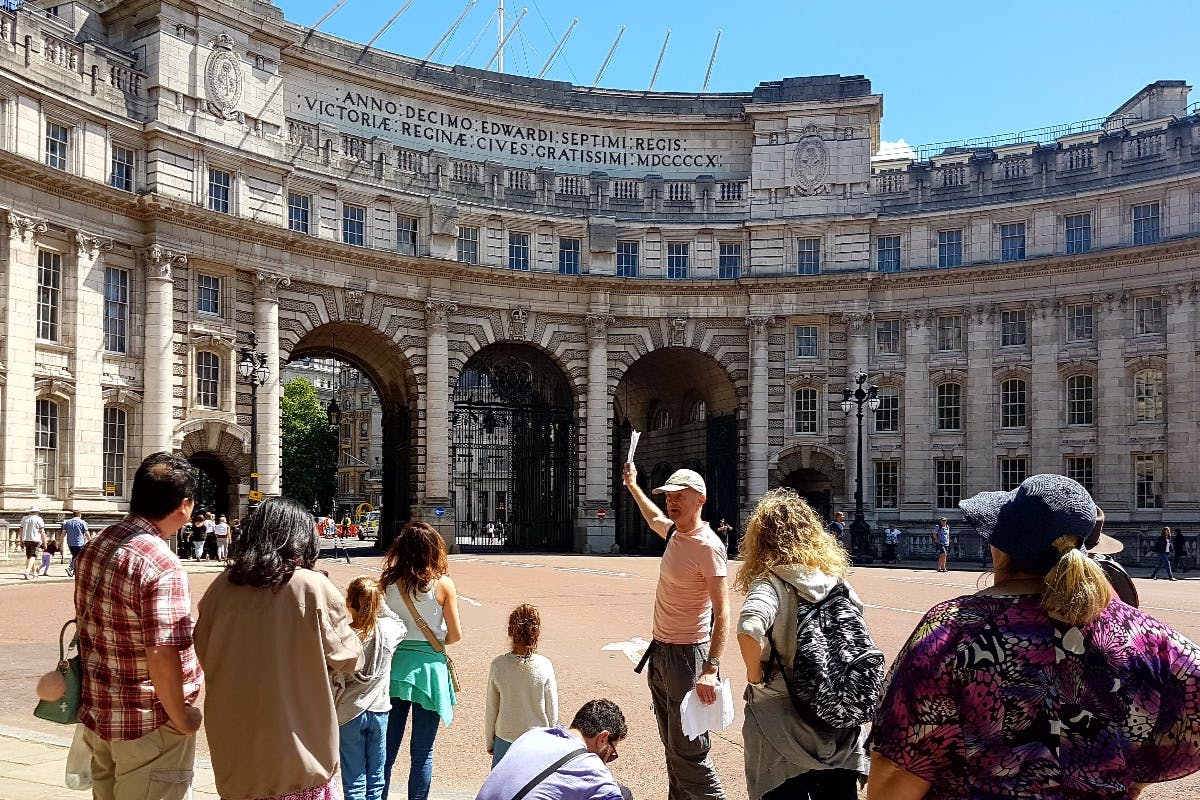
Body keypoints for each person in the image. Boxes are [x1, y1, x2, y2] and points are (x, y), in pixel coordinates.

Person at [868, 474, 1200, 800]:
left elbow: (899, 768)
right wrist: (1135, 771)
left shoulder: (954, 629)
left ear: (1000, 548)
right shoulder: (1140, 634)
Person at [194, 496, 362, 800]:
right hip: (299, 753)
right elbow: (349, 657)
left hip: (236, 756)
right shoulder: (311, 586)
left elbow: (204, 652)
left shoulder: (221, 587)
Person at [73, 452, 203, 800]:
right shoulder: (162, 564)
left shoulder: (97, 544)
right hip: (150, 723)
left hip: (101, 712)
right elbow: (161, 652)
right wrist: (181, 717)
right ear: (185, 505)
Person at [736, 488, 870, 800]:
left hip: (782, 719)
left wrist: (755, 677)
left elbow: (749, 627)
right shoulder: (838, 583)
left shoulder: (771, 583)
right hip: (838, 714)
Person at [622, 463, 727, 800]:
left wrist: (710, 669)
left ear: (701, 499)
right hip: (661, 652)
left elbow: (723, 613)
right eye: (669, 495)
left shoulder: (708, 547)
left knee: (689, 753)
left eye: (681, 495)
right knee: (672, 747)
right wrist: (633, 486)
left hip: (688, 656)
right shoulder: (675, 535)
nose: (672, 501)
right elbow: (654, 519)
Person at [380, 521, 463, 800]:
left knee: (387, 751)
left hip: (394, 668)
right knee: (422, 753)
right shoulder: (443, 585)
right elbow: (455, 635)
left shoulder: (388, 583)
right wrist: (433, 644)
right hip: (429, 671)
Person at [335, 577, 406, 800]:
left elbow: (335, 681)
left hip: (349, 712)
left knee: (354, 779)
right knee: (376, 778)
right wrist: (378, 601)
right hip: (379, 708)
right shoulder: (388, 632)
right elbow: (399, 622)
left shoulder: (342, 637)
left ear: (349, 603)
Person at [475, 699, 628, 800]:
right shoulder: (591, 766)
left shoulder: (533, 735)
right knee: (624, 794)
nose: (607, 761)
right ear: (602, 738)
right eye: (611, 754)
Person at [486, 603, 559, 766]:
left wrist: (490, 742)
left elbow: (492, 708)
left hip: (505, 737)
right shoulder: (545, 665)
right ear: (537, 633)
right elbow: (551, 711)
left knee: (502, 786)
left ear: (510, 632)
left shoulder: (499, 665)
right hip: (537, 739)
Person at [20, 506, 46, 580]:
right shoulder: (39, 519)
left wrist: (21, 541)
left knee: (29, 557)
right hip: (35, 540)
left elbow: (21, 531)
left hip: (26, 539)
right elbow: (42, 532)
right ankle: (27, 571)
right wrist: (45, 542)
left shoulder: (24, 519)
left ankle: (34, 573)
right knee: (33, 556)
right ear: (37, 512)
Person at [62, 509, 89, 577]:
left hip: (70, 543)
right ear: (80, 515)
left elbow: (63, 533)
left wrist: (60, 542)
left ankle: (75, 571)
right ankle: (70, 568)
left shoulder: (67, 522)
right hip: (79, 542)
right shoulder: (82, 522)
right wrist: (90, 540)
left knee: (75, 556)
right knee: (78, 556)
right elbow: (87, 533)